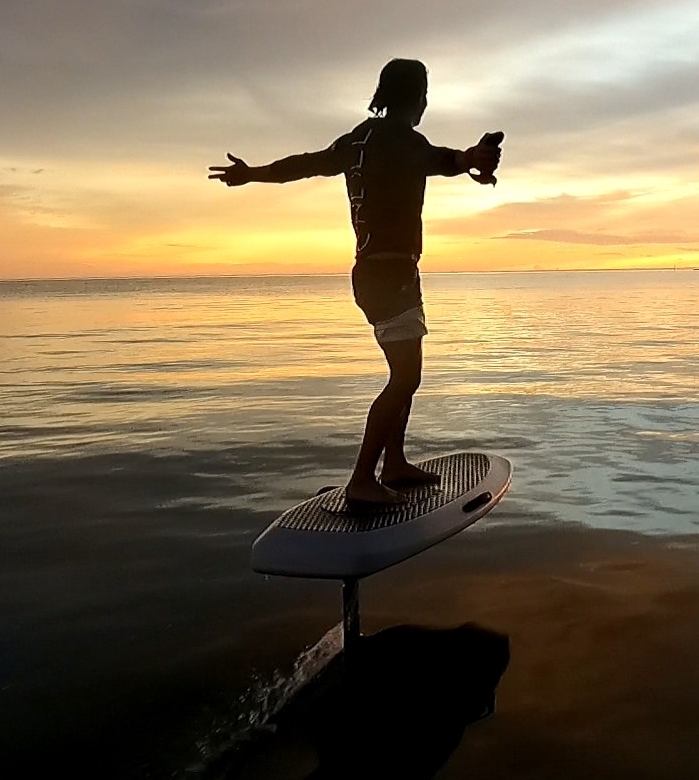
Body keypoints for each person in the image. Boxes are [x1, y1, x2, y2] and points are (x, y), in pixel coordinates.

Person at [209, 59, 501, 505]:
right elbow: (444, 160)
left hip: (371, 273)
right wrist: (470, 160)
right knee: (405, 379)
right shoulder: (402, 140)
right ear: (418, 98)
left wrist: (253, 174)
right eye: (425, 95)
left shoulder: (358, 140)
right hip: (393, 275)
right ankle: (363, 480)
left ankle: (396, 463)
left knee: (403, 375)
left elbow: (307, 165)